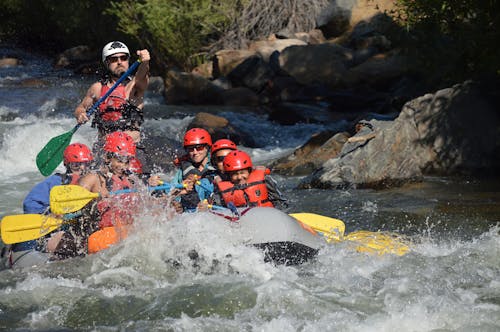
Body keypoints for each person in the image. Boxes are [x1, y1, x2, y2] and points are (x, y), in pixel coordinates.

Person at [51, 131, 139, 258]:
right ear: (107, 157)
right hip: (91, 238)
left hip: (118, 236)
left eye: (127, 161)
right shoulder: (93, 179)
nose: (123, 166)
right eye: (120, 160)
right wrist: (96, 198)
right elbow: (68, 205)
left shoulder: (131, 181)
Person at [6, 143, 93, 267]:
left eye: (86, 165)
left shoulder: (91, 182)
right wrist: (49, 213)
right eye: (76, 166)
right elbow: (29, 204)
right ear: (66, 165)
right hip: (48, 227)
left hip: (70, 225)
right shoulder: (56, 182)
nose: (82, 170)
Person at [73, 41, 150, 144]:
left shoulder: (135, 85)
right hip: (104, 149)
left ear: (128, 61)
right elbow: (81, 107)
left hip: (131, 149)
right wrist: (80, 114)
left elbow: (142, 73)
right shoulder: (97, 88)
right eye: (114, 59)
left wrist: (145, 62)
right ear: (106, 63)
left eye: (123, 58)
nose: (119, 62)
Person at [211, 150, 288, 210]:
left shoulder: (264, 179)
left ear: (249, 171)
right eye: (235, 174)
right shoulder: (221, 189)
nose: (240, 177)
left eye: (242, 173)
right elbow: (217, 209)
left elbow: (280, 201)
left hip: (267, 217)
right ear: (229, 175)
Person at [172, 128, 217, 212]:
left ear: (207, 147)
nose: (195, 152)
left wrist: (210, 204)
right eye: (191, 149)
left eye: (199, 148)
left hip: (213, 210)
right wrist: (175, 200)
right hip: (190, 214)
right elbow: (170, 192)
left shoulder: (217, 165)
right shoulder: (182, 170)